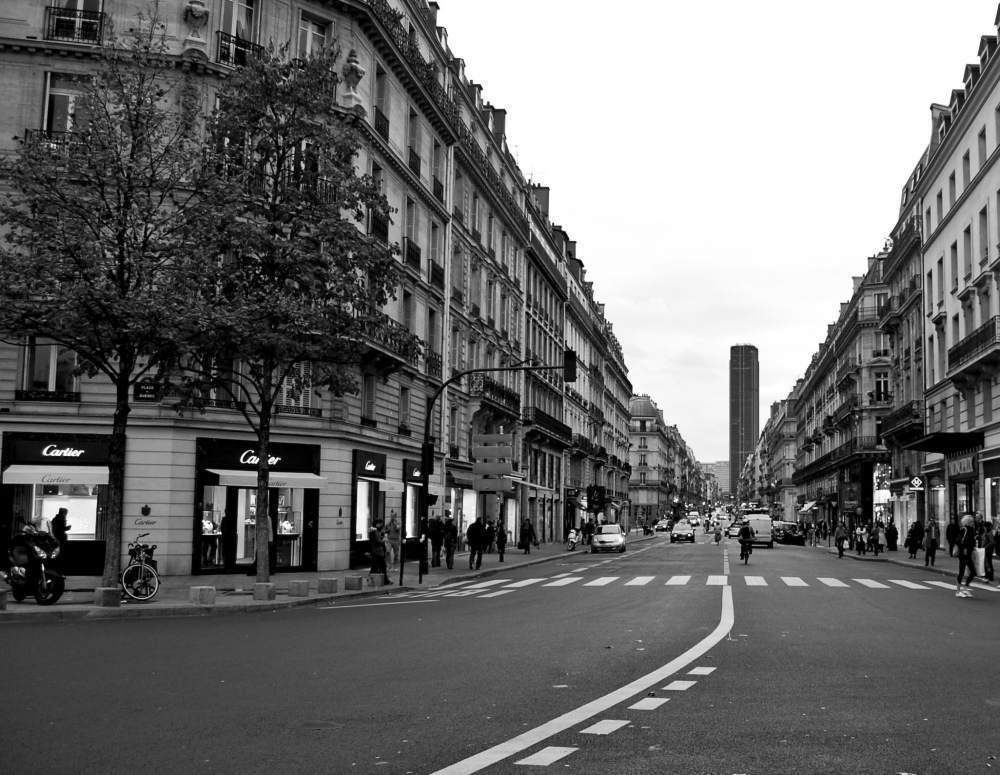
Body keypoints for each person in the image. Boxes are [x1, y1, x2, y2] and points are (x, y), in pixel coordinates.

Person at [956, 514, 977, 597]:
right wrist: (963, 548)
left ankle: (965, 588)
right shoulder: (964, 530)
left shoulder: (972, 530)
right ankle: (958, 591)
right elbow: (957, 540)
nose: (973, 523)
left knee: (973, 572)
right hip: (963, 554)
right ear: (967, 523)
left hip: (969, 554)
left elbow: (971, 542)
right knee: (961, 572)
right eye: (971, 522)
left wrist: (973, 548)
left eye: (973, 522)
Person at [368, 520, 392, 586]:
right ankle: (386, 581)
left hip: (374, 551)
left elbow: (375, 539)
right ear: (377, 524)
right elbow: (378, 541)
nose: (381, 525)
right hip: (378, 551)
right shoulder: (375, 531)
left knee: (374, 566)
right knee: (383, 566)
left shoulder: (371, 530)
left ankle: (370, 578)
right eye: (380, 524)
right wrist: (383, 540)